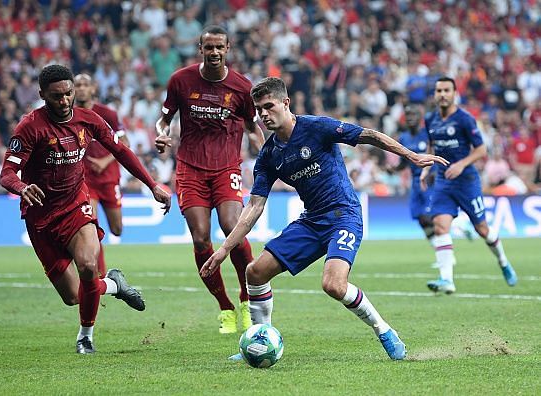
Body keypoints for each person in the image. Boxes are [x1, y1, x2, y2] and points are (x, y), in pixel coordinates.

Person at [200, 77, 449, 361]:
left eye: (269, 106)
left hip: (344, 215)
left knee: (333, 285)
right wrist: (223, 250)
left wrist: (410, 155)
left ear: (285, 103)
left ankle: (384, 330)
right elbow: (254, 207)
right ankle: (259, 339)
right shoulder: (269, 156)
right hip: (312, 221)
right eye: (259, 109)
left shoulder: (316, 127)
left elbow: (367, 134)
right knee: (255, 272)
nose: (264, 114)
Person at [0, 65, 171, 354]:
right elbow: (6, 173)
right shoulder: (30, 127)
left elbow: (122, 151)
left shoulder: (89, 119)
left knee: (89, 266)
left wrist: (152, 184)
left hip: (76, 205)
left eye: (69, 94)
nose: (65, 101)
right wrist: (22, 188)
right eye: (57, 96)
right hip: (40, 218)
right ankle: (114, 285)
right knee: (72, 295)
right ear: (42, 95)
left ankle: (85, 337)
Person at [154, 25, 265, 334]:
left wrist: (264, 148)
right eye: (209, 47)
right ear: (200, 50)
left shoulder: (242, 87)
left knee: (232, 227)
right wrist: (161, 135)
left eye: (219, 47)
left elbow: (253, 126)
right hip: (189, 168)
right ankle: (225, 307)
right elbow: (163, 120)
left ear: (227, 49)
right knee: (201, 238)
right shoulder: (181, 80)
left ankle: (246, 298)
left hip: (226, 167)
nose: (214, 52)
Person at [420, 77, 517, 294]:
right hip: (444, 181)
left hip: (467, 182)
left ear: (454, 93)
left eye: (447, 90)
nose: (442, 94)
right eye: (439, 90)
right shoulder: (430, 120)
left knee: (482, 229)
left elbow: (481, 150)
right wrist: (426, 168)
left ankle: (503, 261)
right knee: (440, 226)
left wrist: (462, 164)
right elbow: (431, 146)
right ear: (434, 94)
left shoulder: (464, 119)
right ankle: (447, 280)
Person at [393, 105, 473, 268]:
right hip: (416, 183)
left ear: (420, 116)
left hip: (432, 181)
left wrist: (437, 172)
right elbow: (403, 162)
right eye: (407, 114)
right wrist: (394, 169)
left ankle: (460, 225)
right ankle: (442, 255)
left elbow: (443, 152)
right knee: (421, 220)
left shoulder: (428, 134)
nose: (410, 117)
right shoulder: (404, 138)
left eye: (413, 114)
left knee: (433, 217)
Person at [75, 73, 127, 277]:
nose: (81, 88)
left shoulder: (108, 114)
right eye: (77, 85)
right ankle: (100, 275)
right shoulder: (69, 115)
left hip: (109, 178)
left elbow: (125, 144)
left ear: (93, 89)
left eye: (84, 85)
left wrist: (105, 161)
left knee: (117, 229)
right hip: (85, 181)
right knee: (91, 225)